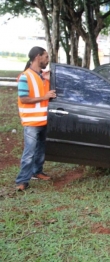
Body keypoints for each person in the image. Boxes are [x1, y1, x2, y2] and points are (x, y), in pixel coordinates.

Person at [15, 46, 57, 191]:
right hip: (31, 121)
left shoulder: (42, 76)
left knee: (40, 150)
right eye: (46, 57)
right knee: (29, 152)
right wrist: (44, 97)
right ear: (38, 57)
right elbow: (24, 99)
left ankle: (37, 171)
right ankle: (22, 180)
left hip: (44, 119)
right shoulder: (25, 77)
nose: (47, 60)